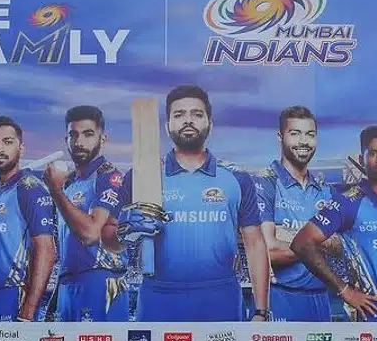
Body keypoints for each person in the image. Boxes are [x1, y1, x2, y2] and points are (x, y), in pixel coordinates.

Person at [115, 85, 272, 322]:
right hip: (159, 297)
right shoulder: (141, 175)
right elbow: (110, 242)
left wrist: (261, 311)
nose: (188, 121)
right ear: (167, 125)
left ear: (210, 122)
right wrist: (123, 230)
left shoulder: (236, 178)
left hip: (221, 297)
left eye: (197, 114)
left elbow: (255, 244)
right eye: (179, 115)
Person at [291, 124, 377, 322]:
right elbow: (301, 242)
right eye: (374, 154)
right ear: (362, 160)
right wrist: (345, 291)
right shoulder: (348, 202)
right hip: (372, 315)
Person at [44, 105, 129, 321]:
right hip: (67, 286)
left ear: (103, 138)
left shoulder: (108, 177)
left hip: (100, 284)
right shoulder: (69, 183)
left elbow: (90, 234)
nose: (79, 142)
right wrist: (54, 300)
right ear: (66, 140)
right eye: (73, 135)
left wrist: (54, 190)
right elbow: (67, 252)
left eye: (88, 134)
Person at [254, 106, 339, 322]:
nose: (303, 141)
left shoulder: (326, 190)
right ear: (280, 137)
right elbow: (268, 251)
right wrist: (318, 239)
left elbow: (340, 246)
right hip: (281, 299)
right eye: (295, 133)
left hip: (321, 300)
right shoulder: (264, 183)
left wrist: (285, 234)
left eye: (310, 134)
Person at [0, 116, 59, 322]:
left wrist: (28, 311)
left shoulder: (30, 189)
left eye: (7, 142)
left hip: (12, 295)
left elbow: (47, 252)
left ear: (21, 149)